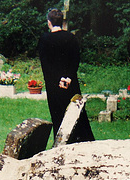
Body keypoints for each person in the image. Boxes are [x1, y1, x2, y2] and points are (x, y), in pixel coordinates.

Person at [38, 8, 95, 144]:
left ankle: (62, 144)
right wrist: (68, 77)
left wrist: (57, 80)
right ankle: (84, 142)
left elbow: (45, 64)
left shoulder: (44, 39)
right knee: (76, 113)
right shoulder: (70, 38)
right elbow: (75, 59)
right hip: (70, 83)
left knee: (58, 115)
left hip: (54, 84)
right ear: (62, 22)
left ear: (49, 22)